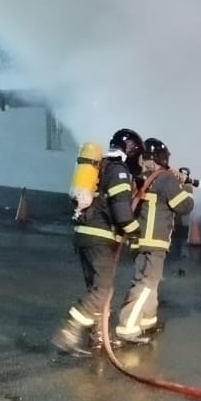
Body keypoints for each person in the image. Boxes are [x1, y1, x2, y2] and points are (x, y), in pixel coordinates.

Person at [51, 128, 144, 357]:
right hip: (100, 238)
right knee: (101, 291)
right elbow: (122, 212)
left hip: (84, 235)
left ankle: (99, 337)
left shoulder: (101, 165)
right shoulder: (118, 171)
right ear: (130, 149)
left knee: (98, 289)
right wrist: (135, 232)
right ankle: (68, 331)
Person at [113, 136, 195, 343]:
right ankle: (127, 327)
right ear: (162, 157)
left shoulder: (141, 176)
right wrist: (185, 186)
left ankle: (147, 321)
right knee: (147, 283)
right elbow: (184, 206)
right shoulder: (165, 179)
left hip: (138, 241)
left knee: (149, 282)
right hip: (154, 241)